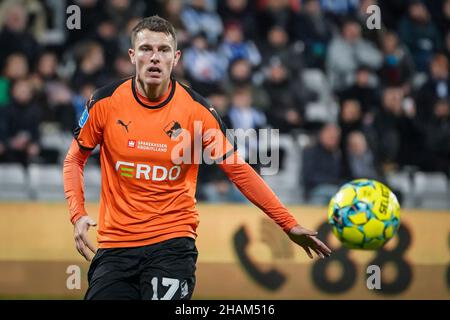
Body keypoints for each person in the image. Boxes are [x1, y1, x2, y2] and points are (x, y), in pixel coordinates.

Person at [63, 15, 331, 300]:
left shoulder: (198, 111)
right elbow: (74, 160)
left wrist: (287, 223)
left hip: (172, 244)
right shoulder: (104, 102)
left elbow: (238, 170)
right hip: (115, 246)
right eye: (146, 49)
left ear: (176, 58)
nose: (155, 58)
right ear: (132, 55)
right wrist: (78, 215)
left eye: (164, 50)